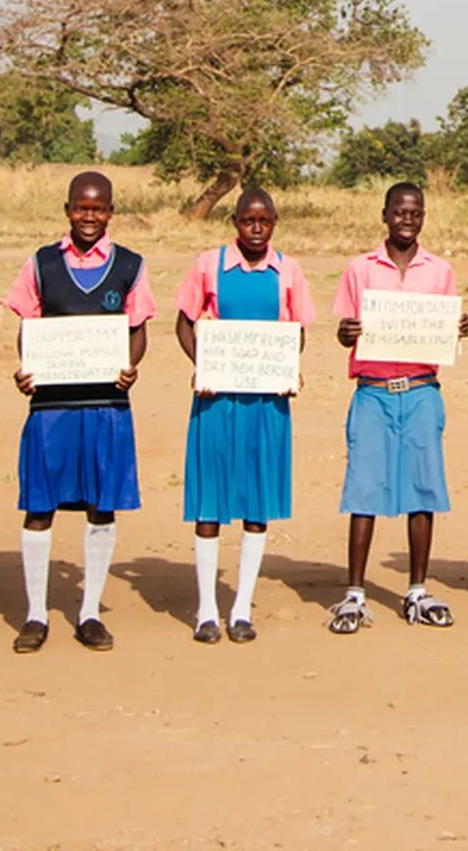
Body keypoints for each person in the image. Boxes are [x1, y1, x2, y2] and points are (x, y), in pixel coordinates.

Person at [4, 170, 152, 653]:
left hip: (106, 405)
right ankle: (34, 614)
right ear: (68, 209)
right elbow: (28, 324)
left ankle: (90, 612)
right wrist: (26, 368)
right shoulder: (42, 263)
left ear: (110, 211)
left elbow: (137, 330)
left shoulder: (130, 265)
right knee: (39, 507)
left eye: (99, 208)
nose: (90, 217)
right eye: (81, 208)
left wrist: (131, 367)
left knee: (100, 507)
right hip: (51, 405)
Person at [173, 186, 314, 645]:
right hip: (217, 400)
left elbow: (296, 331)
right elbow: (183, 322)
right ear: (234, 222)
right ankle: (206, 610)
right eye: (248, 220)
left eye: (265, 221)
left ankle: (241, 607)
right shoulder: (207, 265)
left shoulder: (288, 270)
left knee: (256, 504)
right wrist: (203, 365)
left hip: (265, 402)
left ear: (274, 223)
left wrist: (287, 368)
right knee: (210, 503)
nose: (256, 228)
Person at [330, 183, 468, 634]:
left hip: (422, 390)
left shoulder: (440, 271)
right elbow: (343, 329)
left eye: (415, 213)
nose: (406, 220)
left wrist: (457, 326)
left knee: (423, 488)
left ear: (423, 217)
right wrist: (347, 333)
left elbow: (444, 331)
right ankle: (354, 592)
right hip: (372, 391)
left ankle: (416, 588)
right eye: (398, 212)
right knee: (363, 490)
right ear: (384, 215)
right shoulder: (359, 269)